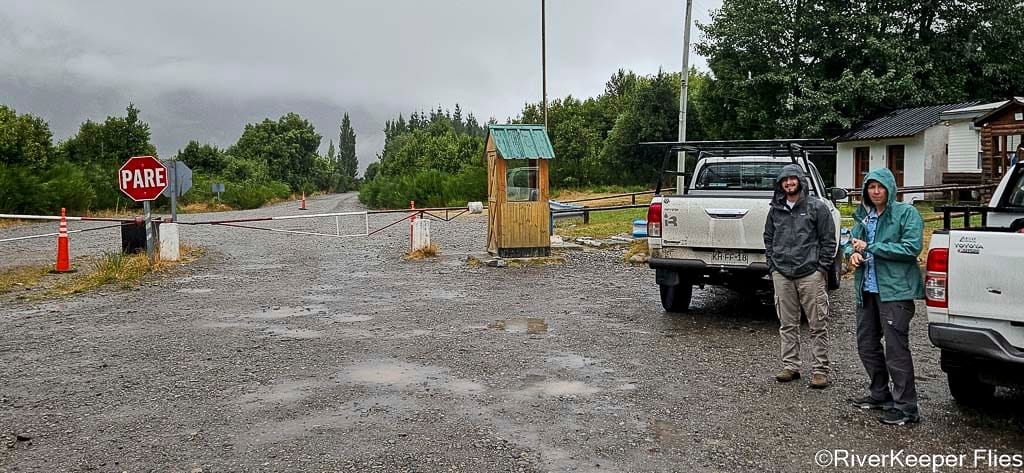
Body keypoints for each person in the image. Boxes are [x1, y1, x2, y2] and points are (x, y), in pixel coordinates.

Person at [846, 168, 925, 426]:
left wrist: (871, 247)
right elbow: (849, 241)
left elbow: (911, 247)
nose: (876, 191)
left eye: (880, 187)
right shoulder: (864, 217)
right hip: (866, 290)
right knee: (866, 344)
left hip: (895, 291)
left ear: (890, 188)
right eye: (871, 187)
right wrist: (852, 253)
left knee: (896, 350)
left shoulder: (906, 213)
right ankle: (880, 394)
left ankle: (906, 407)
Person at [763, 164, 837, 389]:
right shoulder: (775, 209)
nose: (788, 183)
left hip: (810, 274)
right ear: (780, 184)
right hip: (782, 273)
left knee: (817, 324)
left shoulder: (816, 207)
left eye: (792, 179)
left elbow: (828, 240)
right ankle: (791, 366)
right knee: (787, 323)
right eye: (784, 180)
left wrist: (821, 268)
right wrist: (772, 265)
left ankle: (819, 370)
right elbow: (768, 237)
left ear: (800, 182)